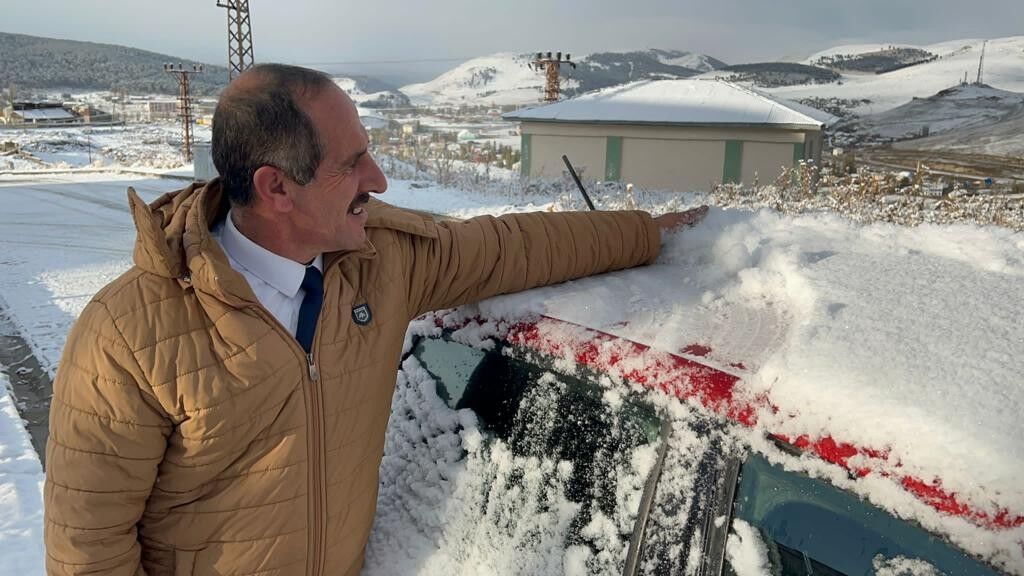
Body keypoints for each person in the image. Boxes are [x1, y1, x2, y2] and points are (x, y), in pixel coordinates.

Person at [43, 63, 707, 575]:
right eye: (351, 163)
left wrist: (647, 233)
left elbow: (511, 247)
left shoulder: (381, 263)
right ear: (277, 188)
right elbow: (88, 551)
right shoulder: (127, 336)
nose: (379, 179)